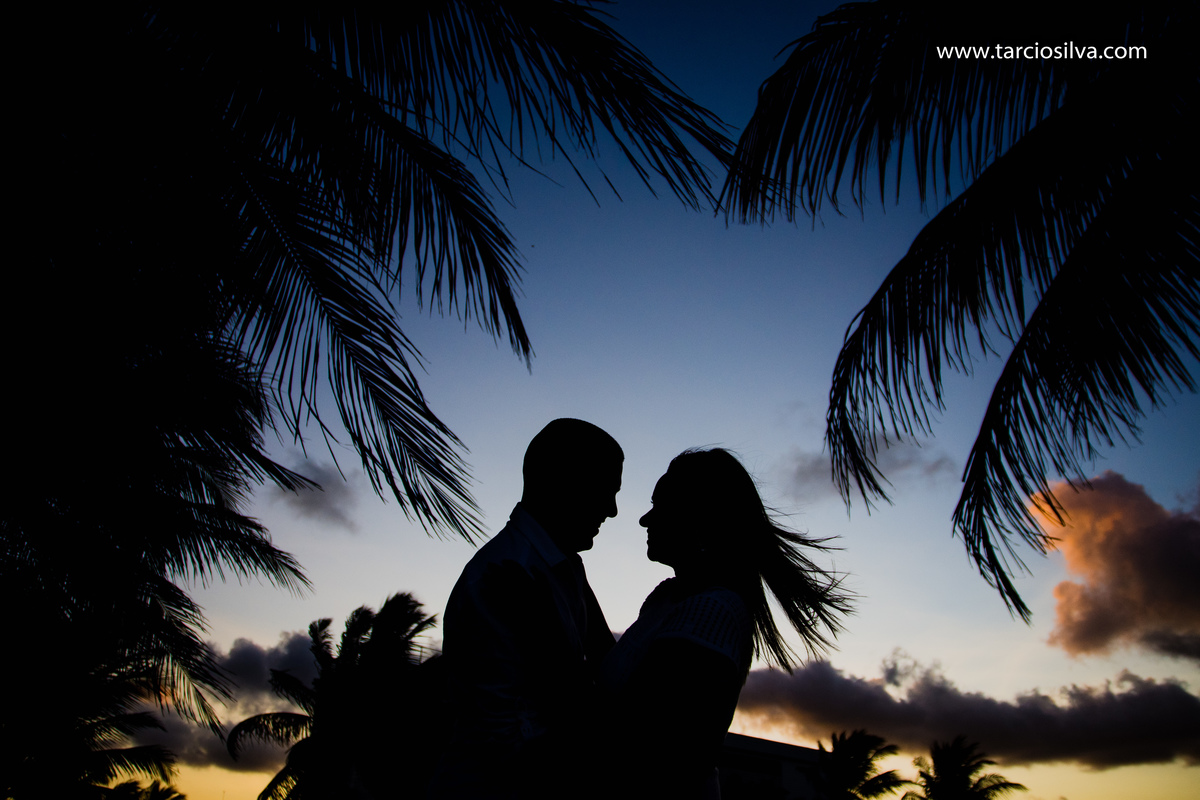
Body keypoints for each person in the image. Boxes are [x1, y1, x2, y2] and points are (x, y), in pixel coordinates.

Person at [600, 448, 851, 799]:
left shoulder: (711, 611)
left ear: (699, 521)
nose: (645, 519)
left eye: (660, 506)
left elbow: (639, 736)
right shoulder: (669, 598)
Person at [429, 418, 623, 799]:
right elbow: (502, 738)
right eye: (605, 490)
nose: (613, 510)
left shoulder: (564, 567)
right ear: (563, 481)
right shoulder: (503, 575)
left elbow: (606, 669)